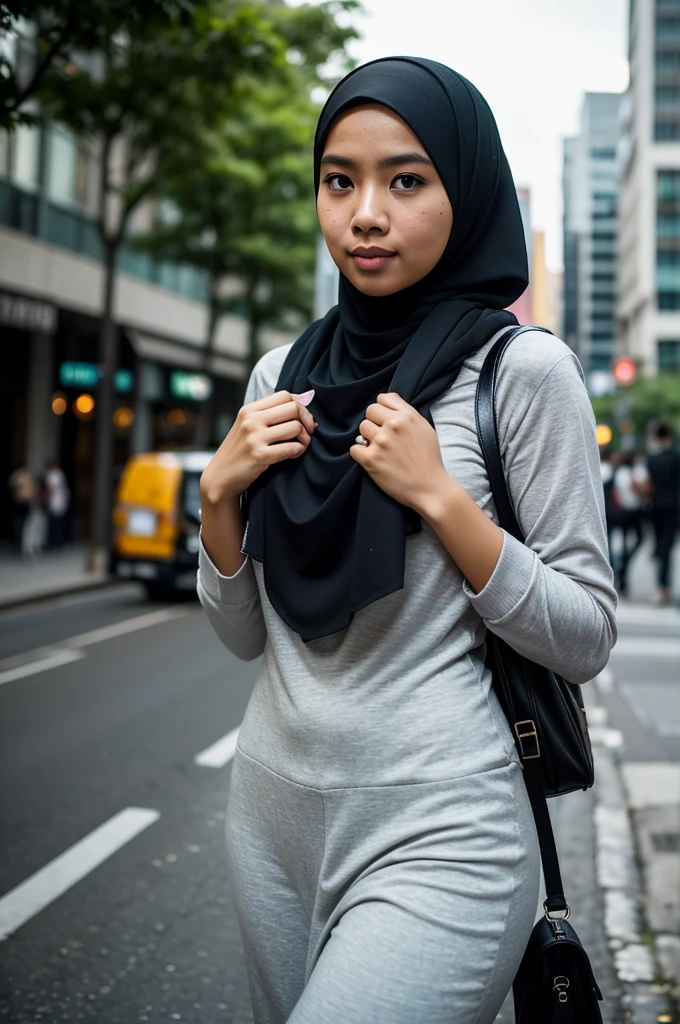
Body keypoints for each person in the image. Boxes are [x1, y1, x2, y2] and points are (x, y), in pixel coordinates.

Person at [197, 58, 617, 1024]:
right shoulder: (283, 373)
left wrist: (443, 501)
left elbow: (587, 635)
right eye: (339, 180)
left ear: (463, 192)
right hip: (268, 815)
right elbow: (245, 639)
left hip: (446, 825)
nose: (365, 214)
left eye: (406, 180)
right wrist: (220, 497)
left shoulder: (522, 372)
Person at [646, 422, 680, 605]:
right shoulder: (676, 458)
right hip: (673, 509)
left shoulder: (651, 459)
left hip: (655, 509)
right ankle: (665, 588)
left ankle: (661, 587)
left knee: (660, 548)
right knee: (667, 549)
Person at [611, 450, 653, 596]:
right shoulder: (633, 472)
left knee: (626, 542)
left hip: (626, 511)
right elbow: (641, 489)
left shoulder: (622, 472)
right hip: (631, 511)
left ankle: (622, 563)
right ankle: (623, 573)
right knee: (635, 540)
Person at [8, 463, 37, 556]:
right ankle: (17, 543)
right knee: (18, 523)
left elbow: (32, 489)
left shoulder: (28, 475)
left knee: (27, 524)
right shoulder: (17, 475)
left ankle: (25, 545)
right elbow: (12, 486)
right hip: (19, 501)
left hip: (26, 501)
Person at [43, 458, 70, 549]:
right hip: (61, 500)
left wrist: (44, 498)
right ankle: (59, 542)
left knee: (53, 524)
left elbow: (49, 490)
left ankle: (53, 543)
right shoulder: (60, 474)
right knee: (59, 524)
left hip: (54, 501)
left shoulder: (52, 475)